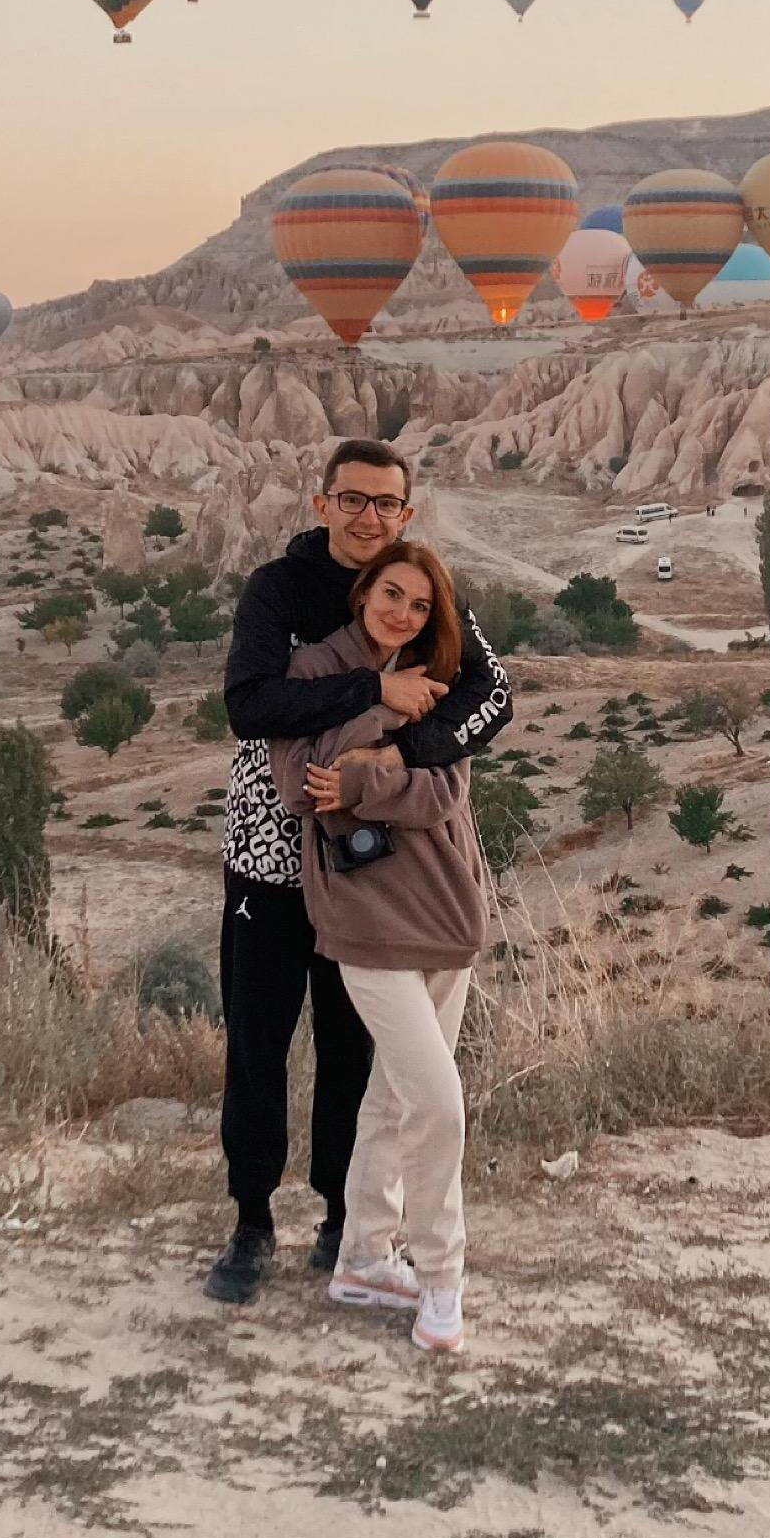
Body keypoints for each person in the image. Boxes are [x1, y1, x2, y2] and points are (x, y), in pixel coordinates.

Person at [206, 439, 510, 1304]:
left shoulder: (421, 589)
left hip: (371, 861)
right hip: (271, 852)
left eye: (385, 503)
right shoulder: (277, 590)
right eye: (353, 500)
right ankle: (250, 1222)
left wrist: (401, 751)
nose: (368, 517)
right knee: (258, 1042)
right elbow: (249, 704)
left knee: (353, 1051)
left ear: (406, 514)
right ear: (322, 503)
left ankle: (344, 1222)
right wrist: (368, 700)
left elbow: (493, 698)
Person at [270, 541, 487, 1355]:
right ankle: (440, 1276)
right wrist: (379, 708)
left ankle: (362, 1258)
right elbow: (300, 786)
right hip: (363, 915)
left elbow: (445, 790)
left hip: (444, 905)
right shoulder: (311, 672)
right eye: (391, 594)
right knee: (436, 1101)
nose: (403, 613)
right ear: (364, 593)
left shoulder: (440, 674)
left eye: (421, 605)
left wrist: (362, 773)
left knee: (393, 1099)